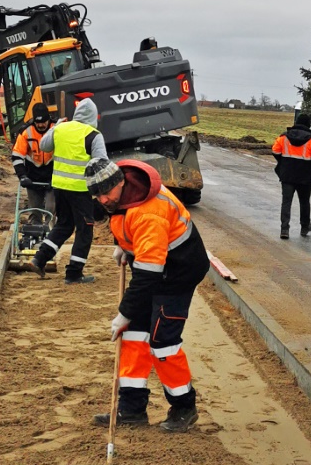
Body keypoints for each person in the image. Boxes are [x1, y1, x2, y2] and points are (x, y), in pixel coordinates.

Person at [85, 157, 208, 433]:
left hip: (178, 272)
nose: (103, 199)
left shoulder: (148, 211)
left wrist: (124, 312)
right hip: (155, 265)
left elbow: (148, 275)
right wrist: (126, 247)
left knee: (162, 341)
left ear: (121, 183)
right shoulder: (120, 197)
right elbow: (125, 224)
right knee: (133, 334)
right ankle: (131, 409)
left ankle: (184, 407)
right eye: (97, 194)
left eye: (107, 193)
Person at [29, 97, 107, 284]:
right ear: (93, 116)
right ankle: (74, 273)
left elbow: (43, 145)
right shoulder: (93, 135)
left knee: (63, 225)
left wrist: (56, 127)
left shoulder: (60, 128)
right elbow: (102, 162)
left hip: (59, 188)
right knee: (84, 230)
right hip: (81, 190)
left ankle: (39, 259)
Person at [272, 111, 311, 239]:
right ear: (308, 125)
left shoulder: (284, 137)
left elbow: (275, 151)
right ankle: (304, 227)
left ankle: (284, 229)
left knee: (286, 202)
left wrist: (284, 163)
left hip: (287, 175)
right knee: (304, 202)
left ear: (296, 123)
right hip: (305, 177)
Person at [11, 102, 55, 213]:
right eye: (37, 122)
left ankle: (51, 229)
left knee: (51, 209)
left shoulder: (56, 129)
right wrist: (22, 176)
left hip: (53, 177)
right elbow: (17, 155)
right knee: (35, 210)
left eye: (43, 122)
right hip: (33, 178)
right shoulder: (26, 132)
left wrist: (57, 177)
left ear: (48, 119)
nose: (40, 125)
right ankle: (35, 228)